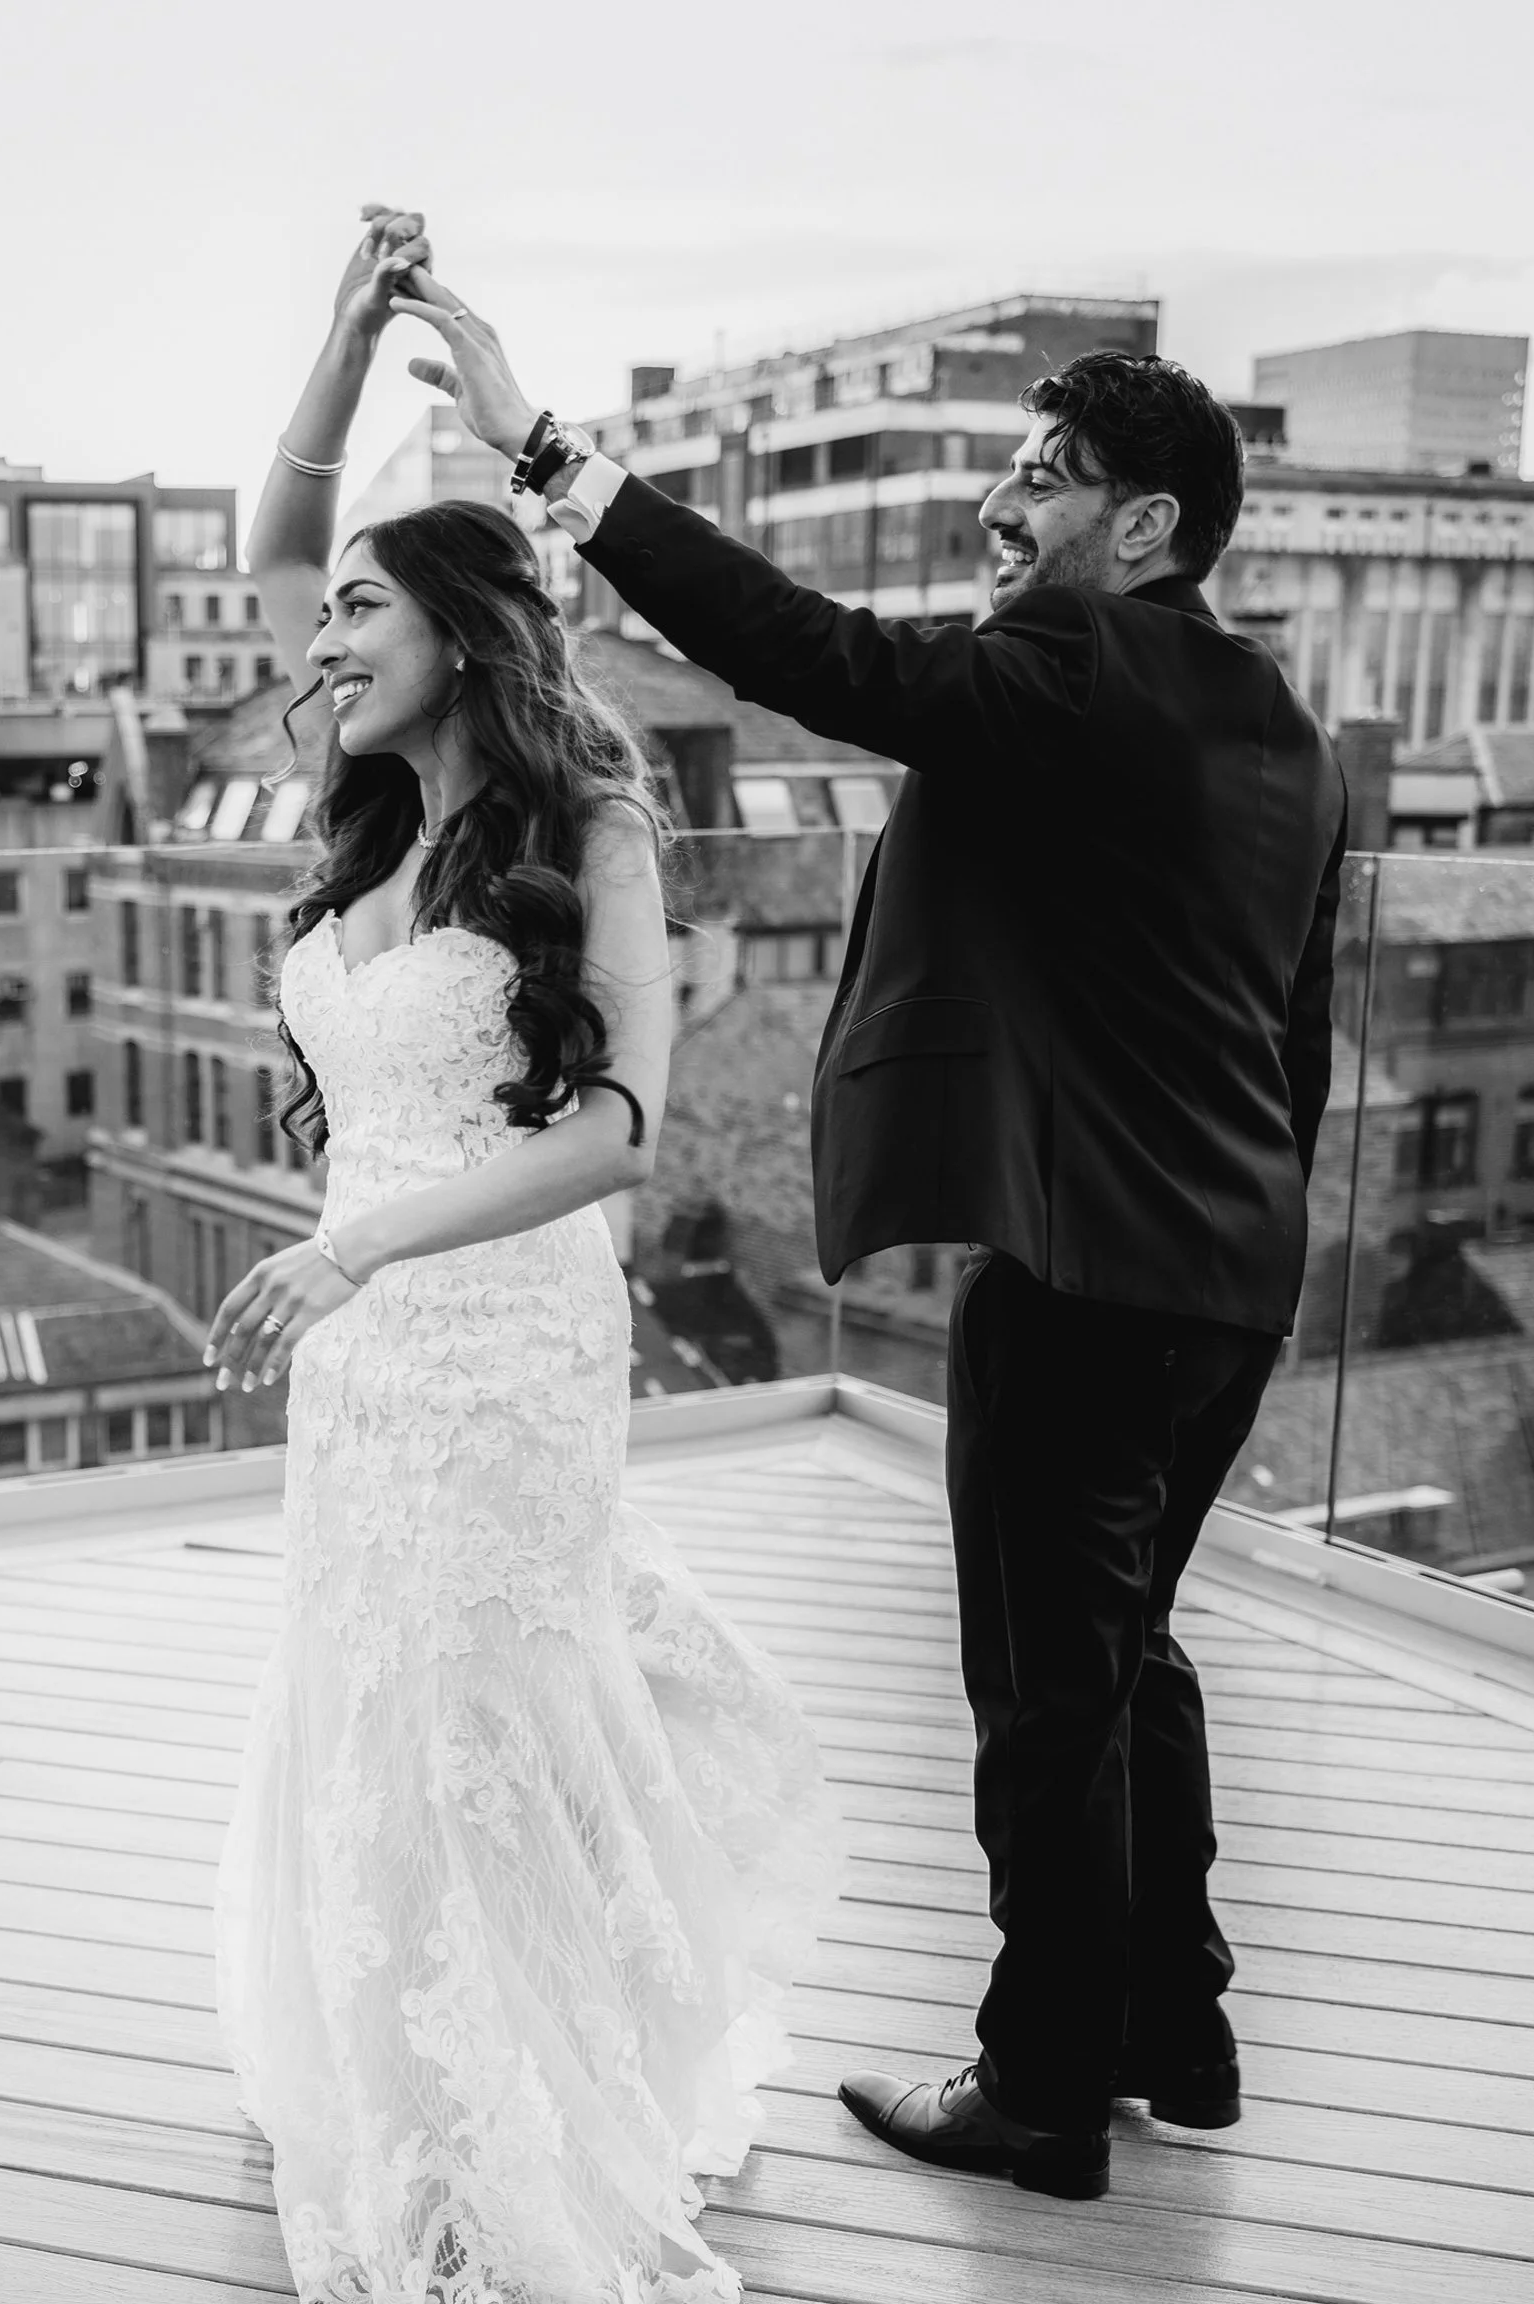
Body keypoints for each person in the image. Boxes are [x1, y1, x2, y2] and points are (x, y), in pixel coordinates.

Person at [389, 250, 1348, 2203]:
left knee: (1044, 1693)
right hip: (1233, 1279)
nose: (1006, 501)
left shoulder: (1072, 668)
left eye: (1048, 472)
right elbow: (1298, 1043)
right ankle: (1179, 2023)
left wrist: (547, 456)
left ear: (1144, 524)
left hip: (1081, 1283)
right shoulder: (1287, 732)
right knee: (1133, 1649)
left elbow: (811, 657)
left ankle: (1041, 2086)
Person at [207, 207, 839, 2304]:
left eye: (361, 608)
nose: (318, 635)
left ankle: (526, 2109)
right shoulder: (355, 816)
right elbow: (276, 519)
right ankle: (396, 2078)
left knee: (483, 1696)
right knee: (370, 1688)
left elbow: (621, 1127)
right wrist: (339, 329)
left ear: (463, 631)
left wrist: (371, 1236)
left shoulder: (588, 818)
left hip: (485, 1322)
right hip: (347, 1335)